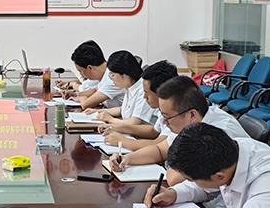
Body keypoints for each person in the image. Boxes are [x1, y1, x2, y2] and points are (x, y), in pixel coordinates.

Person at [109, 75, 248, 171]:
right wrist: (126, 159)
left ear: (191, 114)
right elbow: (160, 150)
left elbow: (176, 178)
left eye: (167, 116)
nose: (163, 122)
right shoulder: (189, 120)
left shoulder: (218, 132)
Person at [99, 60, 178, 148]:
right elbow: (153, 131)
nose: (144, 97)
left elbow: (158, 145)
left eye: (146, 93)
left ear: (161, 92)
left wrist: (123, 141)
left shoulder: (176, 113)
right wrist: (116, 127)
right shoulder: (163, 110)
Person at [85, 50, 155, 131]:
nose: (111, 79)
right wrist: (98, 111)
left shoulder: (143, 90)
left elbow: (134, 123)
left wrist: (110, 119)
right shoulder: (130, 86)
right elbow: (122, 109)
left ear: (125, 75)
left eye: (113, 75)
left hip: (141, 135)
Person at [57, 40, 123, 109]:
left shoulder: (112, 78)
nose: (81, 75)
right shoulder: (104, 73)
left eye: (80, 71)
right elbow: (95, 91)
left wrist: (81, 97)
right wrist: (75, 94)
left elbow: (86, 104)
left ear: (89, 68)